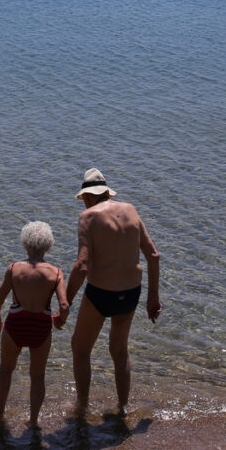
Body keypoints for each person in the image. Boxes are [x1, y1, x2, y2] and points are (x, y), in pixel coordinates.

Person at [60, 168, 161, 417]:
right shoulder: (131, 210)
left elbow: (82, 266)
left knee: (80, 348)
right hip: (131, 294)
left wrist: (65, 303)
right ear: (107, 192)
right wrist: (153, 298)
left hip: (101, 293)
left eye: (83, 198)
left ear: (86, 196)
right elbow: (153, 256)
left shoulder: (87, 217)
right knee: (119, 351)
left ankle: (81, 406)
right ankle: (123, 407)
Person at [0, 221, 69, 429]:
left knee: (6, 369)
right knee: (37, 375)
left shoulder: (14, 268)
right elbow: (64, 304)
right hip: (41, 326)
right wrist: (60, 320)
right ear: (48, 246)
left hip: (16, 323)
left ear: (25, 244)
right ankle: (33, 420)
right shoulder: (56, 272)